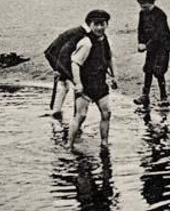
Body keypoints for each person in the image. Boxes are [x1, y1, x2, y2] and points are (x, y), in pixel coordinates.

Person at [68, 9, 117, 151]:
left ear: (107, 24)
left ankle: (104, 143)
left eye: (102, 24)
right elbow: (75, 63)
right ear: (90, 25)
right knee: (81, 115)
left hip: (100, 83)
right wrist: (78, 84)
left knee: (106, 113)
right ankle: (69, 144)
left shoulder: (106, 40)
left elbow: (109, 59)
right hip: (85, 84)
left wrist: (114, 77)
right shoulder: (86, 43)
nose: (99, 28)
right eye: (96, 24)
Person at [134, 0, 170, 106]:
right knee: (147, 69)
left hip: (162, 46)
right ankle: (145, 95)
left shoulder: (160, 14)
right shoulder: (142, 14)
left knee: (158, 71)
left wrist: (147, 45)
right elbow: (140, 30)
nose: (143, 8)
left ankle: (164, 97)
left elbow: (160, 34)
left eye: (145, 6)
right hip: (150, 47)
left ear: (152, 3)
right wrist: (140, 42)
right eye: (141, 6)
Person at [45, 24, 90, 119]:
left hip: (55, 56)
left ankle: (57, 111)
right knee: (74, 85)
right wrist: (58, 69)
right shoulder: (79, 35)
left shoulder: (77, 32)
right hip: (56, 57)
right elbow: (64, 52)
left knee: (64, 85)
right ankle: (70, 113)